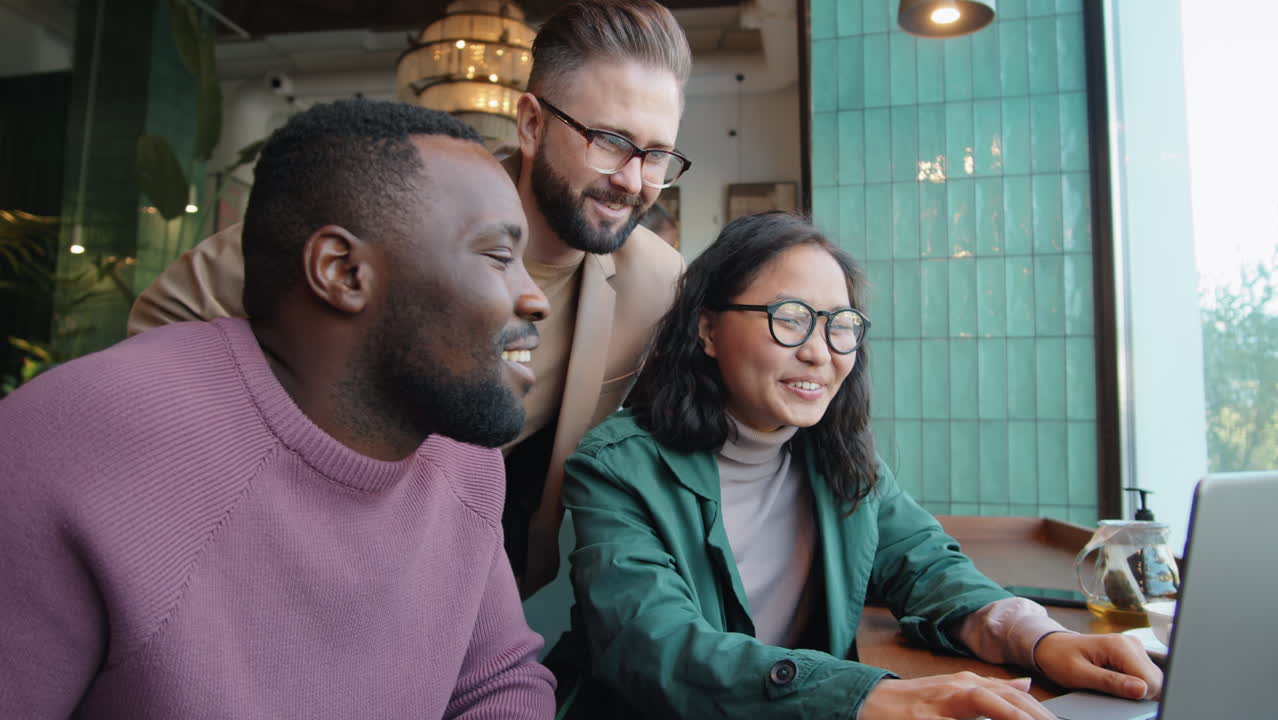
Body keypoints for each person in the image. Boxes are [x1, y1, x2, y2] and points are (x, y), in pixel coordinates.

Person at [0, 100, 556, 718]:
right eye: (499, 258)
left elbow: (498, 684)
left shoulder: (465, 462)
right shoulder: (72, 440)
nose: (536, 299)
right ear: (343, 272)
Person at [125, 0, 692, 597]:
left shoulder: (655, 280)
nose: (633, 179)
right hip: (277, 559)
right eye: (609, 141)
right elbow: (169, 315)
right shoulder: (408, 200)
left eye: (657, 155)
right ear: (530, 124)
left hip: (468, 582)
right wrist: (276, 478)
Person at [547, 212, 1163, 719]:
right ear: (708, 329)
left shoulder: (836, 454)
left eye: (841, 326)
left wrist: (1040, 639)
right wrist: (868, 695)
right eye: (789, 319)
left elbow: (925, 566)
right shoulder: (617, 468)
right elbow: (655, 648)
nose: (820, 352)